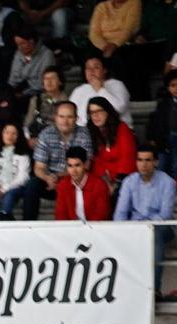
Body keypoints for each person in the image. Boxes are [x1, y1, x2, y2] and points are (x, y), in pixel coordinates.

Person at [112, 144, 176, 299]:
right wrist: (130, 229)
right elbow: (119, 215)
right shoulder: (129, 181)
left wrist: (144, 227)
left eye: (148, 160)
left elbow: (165, 215)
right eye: (140, 160)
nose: (143, 164)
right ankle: (125, 290)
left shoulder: (167, 182)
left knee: (155, 235)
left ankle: (154, 289)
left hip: (161, 227)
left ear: (156, 162)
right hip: (135, 228)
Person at [24, 100, 93, 219]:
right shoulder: (46, 134)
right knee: (32, 185)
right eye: (61, 116)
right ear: (55, 117)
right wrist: (48, 178)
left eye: (69, 117)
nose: (65, 121)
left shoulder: (84, 134)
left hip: (74, 179)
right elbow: (38, 167)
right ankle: (28, 226)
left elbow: (86, 166)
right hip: (50, 181)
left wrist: (59, 177)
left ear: (76, 118)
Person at [88, 0, 154, 101]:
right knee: (90, 57)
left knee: (125, 58)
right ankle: (93, 94)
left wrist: (114, 45)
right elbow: (93, 33)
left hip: (124, 43)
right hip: (103, 45)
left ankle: (126, 96)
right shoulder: (101, 7)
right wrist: (105, 46)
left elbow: (130, 29)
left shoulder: (134, 3)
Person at [86, 95, 136, 187]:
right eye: (92, 112)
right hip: (102, 180)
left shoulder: (121, 128)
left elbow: (127, 158)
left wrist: (116, 184)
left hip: (123, 179)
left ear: (108, 112)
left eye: (99, 111)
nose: (95, 116)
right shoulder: (90, 131)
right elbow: (96, 162)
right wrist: (106, 183)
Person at [7, 24, 54, 118]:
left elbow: (42, 83)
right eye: (17, 44)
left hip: (36, 92)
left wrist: (24, 93)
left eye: (22, 44)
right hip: (17, 89)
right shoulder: (18, 53)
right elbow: (13, 78)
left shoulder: (47, 55)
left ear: (31, 42)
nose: (19, 47)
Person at [69, 56, 132, 127]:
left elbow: (119, 109)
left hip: (117, 131)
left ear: (104, 70)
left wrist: (100, 89)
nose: (91, 71)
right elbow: (71, 114)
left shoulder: (116, 84)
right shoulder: (79, 90)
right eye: (88, 68)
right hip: (87, 133)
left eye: (96, 67)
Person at [54, 145, 111, 220]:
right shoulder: (63, 185)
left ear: (86, 164)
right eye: (70, 166)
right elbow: (60, 215)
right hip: (71, 229)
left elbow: (101, 216)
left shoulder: (99, 185)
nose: (73, 171)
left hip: (95, 229)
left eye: (77, 165)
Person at [0, 122, 31, 214]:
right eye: (7, 132)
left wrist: (4, 189)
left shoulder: (23, 156)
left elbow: (23, 177)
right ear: (1, 134)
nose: (10, 136)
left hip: (16, 187)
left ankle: (4, 219)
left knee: (9, 196)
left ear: (18, 136)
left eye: (14, 133)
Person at [24, 65, 66, 143]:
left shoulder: (66, 101)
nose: (49, 81)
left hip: (59, 140)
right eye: (46, 78)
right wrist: (28, 139)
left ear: (60, 81)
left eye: (52, 78)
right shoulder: (36, 99)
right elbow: (28, 123)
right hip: (37, 139)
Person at [148, 71, 177, 177]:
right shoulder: (163, 104)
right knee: (161, 168)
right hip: (164, 141)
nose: (176, 89)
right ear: (168, 88)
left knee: (175, 167)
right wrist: (153, 139)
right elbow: (155, 122)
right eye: (173, 85)